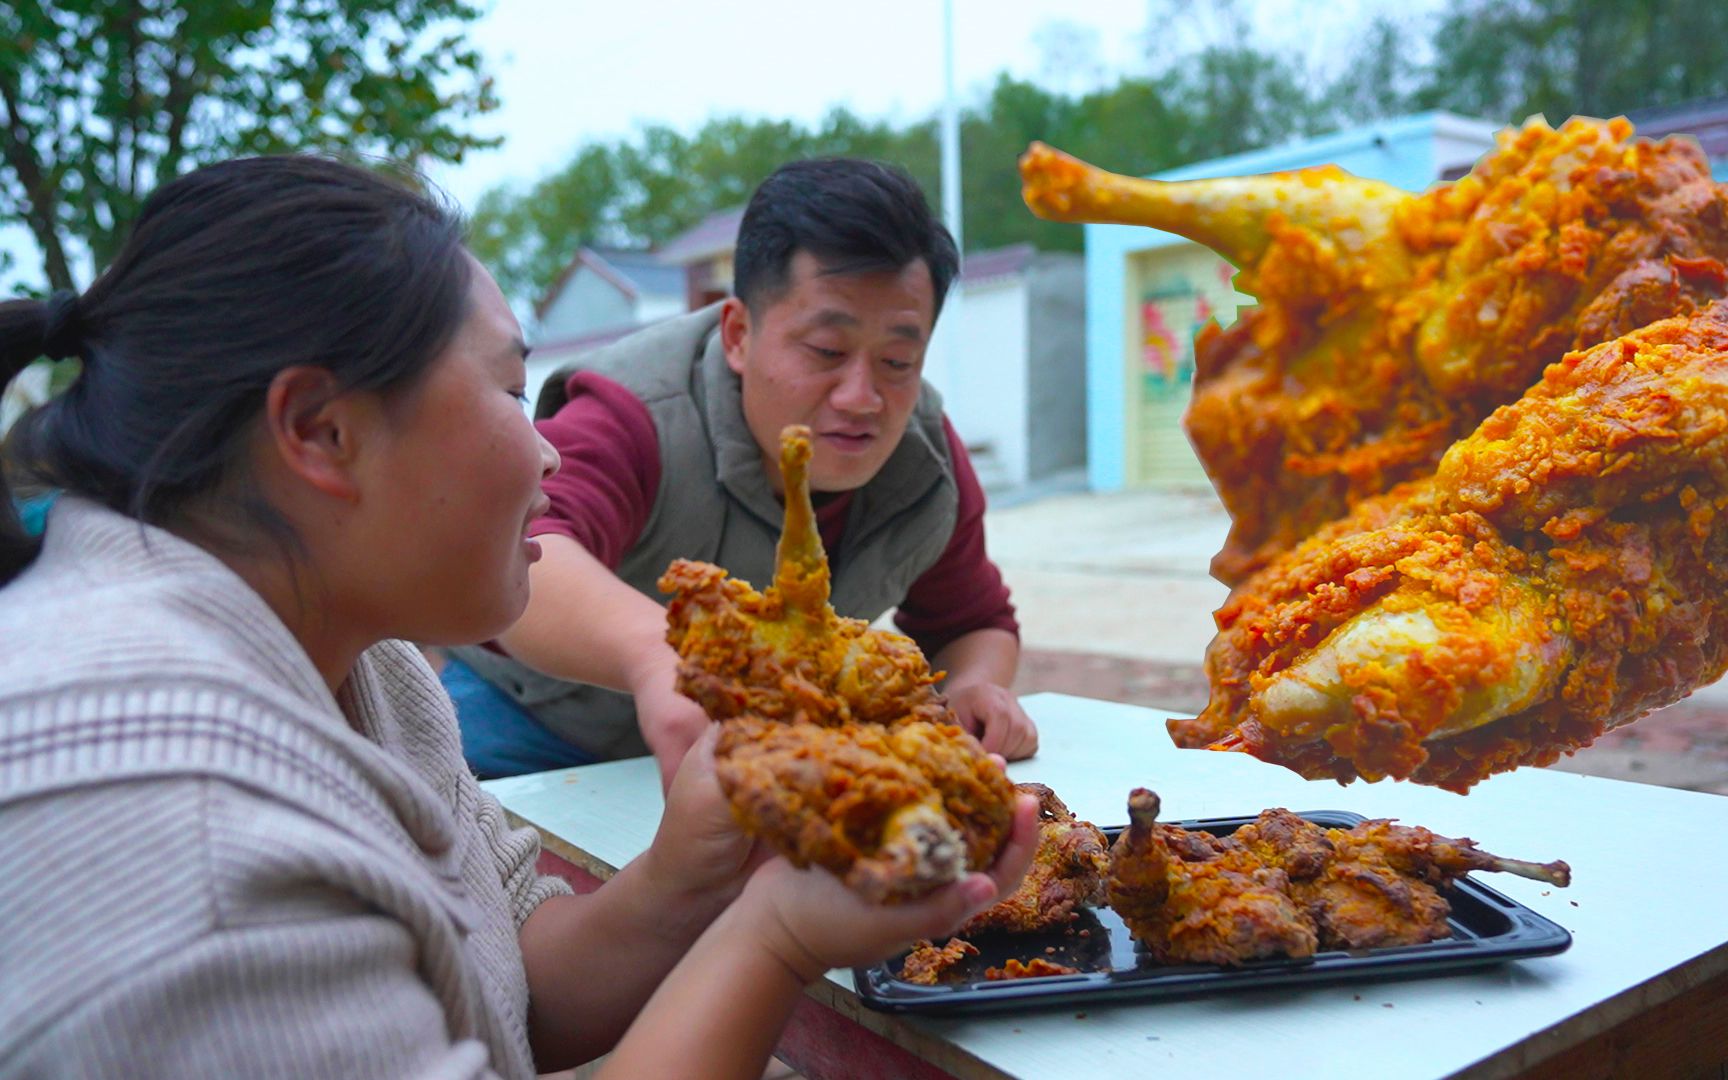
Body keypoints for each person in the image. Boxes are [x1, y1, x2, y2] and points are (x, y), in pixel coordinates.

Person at [0, 156, 1038, 1078]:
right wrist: (773, 942)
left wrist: (696, 873)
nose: (545, 451)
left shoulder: (372, 667)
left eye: (897, 361)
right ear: (321, 432)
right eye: (510, 388)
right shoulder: (193, 854)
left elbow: (509, 988)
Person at [447, 158, 1040, 785]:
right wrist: (661, 657)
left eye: (898, 359)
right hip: (529, 725)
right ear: (737, 333)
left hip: (753, 754)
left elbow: (973, 621)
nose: (861, 397)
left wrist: (977, 687)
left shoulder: (927, 462)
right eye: (827, 352)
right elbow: (524, 549)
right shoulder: (635, 411)